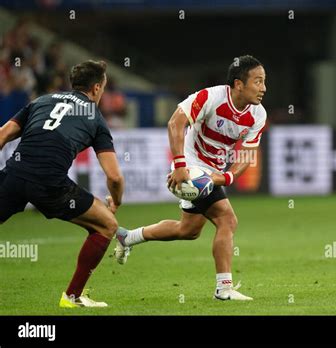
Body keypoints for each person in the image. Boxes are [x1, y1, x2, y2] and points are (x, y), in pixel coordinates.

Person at [115, 55, 267, 300]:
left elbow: (247, 155)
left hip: (213, 173)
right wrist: (180, 165)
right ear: (239, 84)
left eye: (264, 82)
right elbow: (176, 123)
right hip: (191, 167)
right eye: (258, 81)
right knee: (227, 220)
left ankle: (128, 237)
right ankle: (224, 289)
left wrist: (225, 178)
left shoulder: (258, 114)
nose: (263, 88)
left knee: (188, 230)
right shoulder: (210, 97)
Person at [0, 60, 124, 307]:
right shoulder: (95, 118)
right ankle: (72, 297)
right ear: (97, 88)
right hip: (50, 184)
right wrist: (116, 201)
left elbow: (2, 135)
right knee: (107, 225)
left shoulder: (42, 101)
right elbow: (114, 176)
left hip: (14, 174)